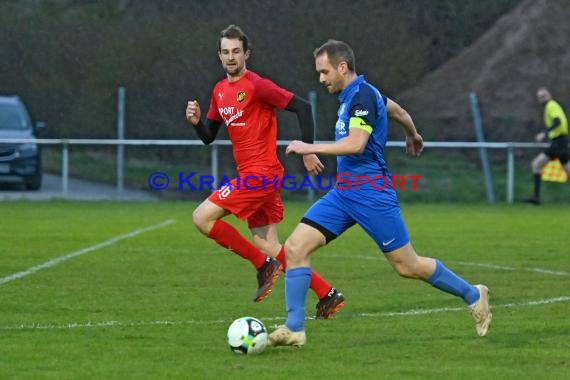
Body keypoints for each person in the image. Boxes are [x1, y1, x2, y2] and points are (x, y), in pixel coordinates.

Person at [268, 39, 492, 347]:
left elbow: (357, 143)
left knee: (407, 266)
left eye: (324, 72)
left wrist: (309, 147)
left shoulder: (361, 97)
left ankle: (472, 293)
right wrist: (412, 134)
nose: (321, 79)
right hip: (344, 193)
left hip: (372, 193)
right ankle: (294, 328)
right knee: (295, 247)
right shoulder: (358, 94)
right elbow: (398, 110)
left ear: (342, 67)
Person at [185, 25, 345, 319]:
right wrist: (196, 122)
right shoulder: (220, 91)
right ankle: (327, 293)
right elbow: (209, 135)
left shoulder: (257, 85)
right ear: (219, 56)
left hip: (261, 174)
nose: (231, 57)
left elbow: (303, 107)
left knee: (201, 217)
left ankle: (262, 265)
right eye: (225, 52)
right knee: (268, 243)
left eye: (236, 51)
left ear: (246, 53)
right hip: (255, 175)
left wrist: (307, 149)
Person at [524, 87, 569, 205]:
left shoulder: (551, 106)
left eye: (543, 96)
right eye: (539, 97)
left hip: (559, 141)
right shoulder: (552, 106)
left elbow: (557, 121)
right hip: (561, 141)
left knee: (536, 164)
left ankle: (536, 197)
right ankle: (536, 197)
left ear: (549, 95)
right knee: (568, 170)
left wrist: (544, 133)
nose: (541, 98)